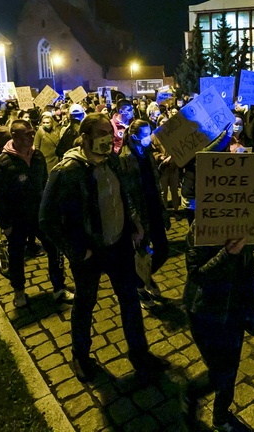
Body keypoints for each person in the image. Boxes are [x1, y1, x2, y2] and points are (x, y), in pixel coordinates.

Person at [39, 113, 169, 381]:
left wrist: (133, 226)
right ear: (85, 137)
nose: (107, 138)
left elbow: (121, 196)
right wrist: (76, 250)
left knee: (130, 300)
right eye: (100, 133)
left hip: (119, 245)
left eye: (109, 132)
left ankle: (139, 353)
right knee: (86, 304)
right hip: (90, 251)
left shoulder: (112, 161)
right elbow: (46, 219)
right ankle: (81, 356)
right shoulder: (67, 170)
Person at [0, 119, 71, 308]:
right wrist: (6, 224)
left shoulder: (37, 156)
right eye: (27, 133)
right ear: (15, 136)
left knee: (54, 249)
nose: (31, 136)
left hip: (39, 215)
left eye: (32, 132)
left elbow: (44, 183)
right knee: (17, 256)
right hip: (17, 219)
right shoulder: (2, 163)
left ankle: (59, 287)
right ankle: (19, 291)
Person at [183, 233, 254, 432]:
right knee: (219, 371)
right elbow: (197, 275)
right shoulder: (200, 227)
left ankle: (221, 416)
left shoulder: (246, 222)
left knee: (231, 369)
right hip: (205, 312)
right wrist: (226, 254)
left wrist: (251, 304)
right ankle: (191, 393)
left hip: (234, 310)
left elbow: (248, 268)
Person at [119, 119, 171, 308]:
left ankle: (143, 278)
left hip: (154, 208)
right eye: (146, 133)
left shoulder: (147, 152)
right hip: (140, 215)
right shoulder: (124, 158)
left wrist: (162, 166)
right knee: (142, 254)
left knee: (162, 250)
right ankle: (140, 287)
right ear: (134, 137)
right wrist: (135, 223)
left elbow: (152, 180)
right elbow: (126, 193)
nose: (150, 137)